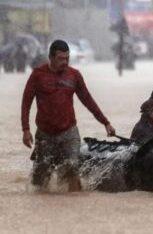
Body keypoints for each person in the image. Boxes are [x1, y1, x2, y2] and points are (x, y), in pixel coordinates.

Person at [21, 40, 116, 192]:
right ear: (50, 57)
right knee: (40, 177)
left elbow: (87, 100)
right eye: (60, 59)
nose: (64, 62)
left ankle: (73, 202)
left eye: (67, 58)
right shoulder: (38, 75)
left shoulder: (74, 75)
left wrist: (105, 122)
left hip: (69, 132)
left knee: (72, 167)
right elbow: (26, 103)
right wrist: (25, 129)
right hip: (45, 134)